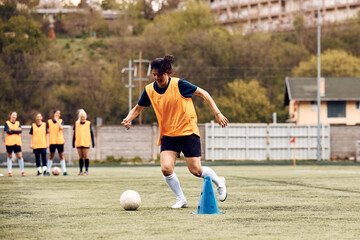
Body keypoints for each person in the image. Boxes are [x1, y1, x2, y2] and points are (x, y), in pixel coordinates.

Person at [121, 55, 229, 208]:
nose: (157, 77)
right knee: (166, 168)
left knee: (196, 171)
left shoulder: (179, 85)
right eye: (154, 74)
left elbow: (204, 93)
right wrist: (128, 118)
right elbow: (138, 108)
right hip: (168, 135)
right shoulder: (149, 90)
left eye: (159, 74)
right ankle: (181, 199)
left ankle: (219, 182)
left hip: (187, 132)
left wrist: (217, 113)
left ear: (167, 72)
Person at [72, 109, 95, 176]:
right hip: (79, 142)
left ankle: (86, 170)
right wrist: (73, 142)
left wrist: (93, 142)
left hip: (86, 142)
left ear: (86, 116)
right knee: (80, 157)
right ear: (79, 116)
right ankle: (81, 170)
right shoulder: (76, 123)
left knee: (86, 156)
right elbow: (74, 133)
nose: (82, 117)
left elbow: (91, 133)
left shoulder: (88, 123)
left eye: (84, 116)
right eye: (81, 116)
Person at [47, 110, 68, 176]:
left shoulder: (61, 121)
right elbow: (47, 132)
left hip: (60, 141)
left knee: (61, 156)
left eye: (59, 113)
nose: (58, 114)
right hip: (52, 141)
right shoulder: (49, 122)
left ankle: (64, 171)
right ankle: (48, 171)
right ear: (54, 114)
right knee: (51, 156)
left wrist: (57, 121)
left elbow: (61, 128)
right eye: (57, 113)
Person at [4, 112, 25, 177]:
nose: (14, 117)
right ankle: (9, 172)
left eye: (15, 115)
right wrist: (16, 130)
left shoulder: (18, 123)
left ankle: (22, 171)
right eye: (13, 115)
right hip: (9, 142)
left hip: (17, 142)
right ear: (10, 116)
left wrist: (12, 130)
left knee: (20, 156)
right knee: (9, 156)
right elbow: (8, 131)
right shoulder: (7, 123)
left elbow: (20, 131)